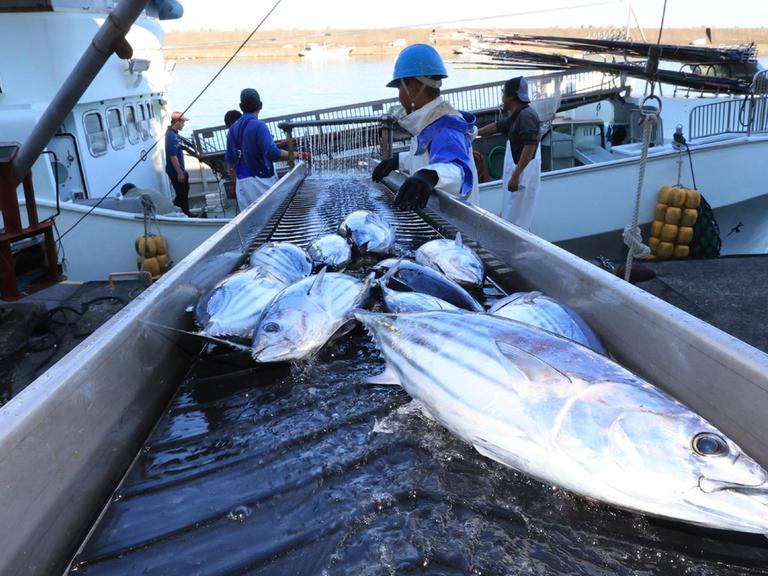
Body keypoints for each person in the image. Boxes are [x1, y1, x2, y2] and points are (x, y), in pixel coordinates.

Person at [371, 43, 478, 210]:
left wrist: (429, 176)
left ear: (413, 87)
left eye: (399, 88)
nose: (399, 97)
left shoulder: (446, 127)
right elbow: (430, 157)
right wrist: (399, 161)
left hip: (452, 228)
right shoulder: (432, 122)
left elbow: (457, 170)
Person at [477, 76, 541, 230]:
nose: (502, 97)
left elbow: (530, 146)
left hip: (522, 179)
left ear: (512, 96)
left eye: (504, 93)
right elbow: (495, 127)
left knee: (519, 222)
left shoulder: (526, 116)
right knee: (512, 217)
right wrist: (473, 133)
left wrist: (516, 175)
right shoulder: (517, 116)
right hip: (517, 179)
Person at [225, 88, 290, 212]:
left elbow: (230, 162)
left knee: (251, 224)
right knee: (272, 220)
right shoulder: (259, 126)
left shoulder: (232, 130)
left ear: (240, 106)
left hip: (242, 186)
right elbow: (272, 153)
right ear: (260, 105)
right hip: (262, 183)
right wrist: (295, 154)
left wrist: (234, 184)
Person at [165, 111, 192, 216]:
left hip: (177, 169)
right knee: (182, 193)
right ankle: (184, 213)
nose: (184, 124)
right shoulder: (172, 136)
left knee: (183, 191)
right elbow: (172, 155)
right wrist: (179, 172)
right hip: (175, 171)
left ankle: (182, 212)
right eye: (183, 122)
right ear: (177, 122)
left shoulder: (173, 134)